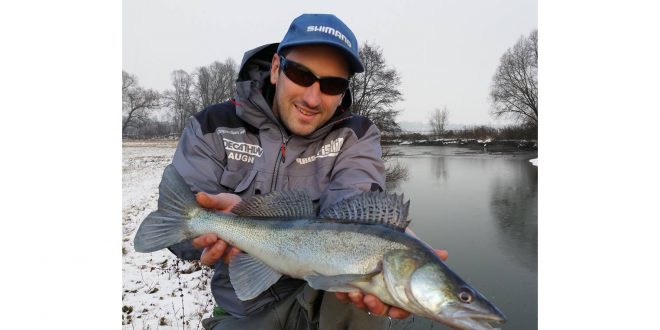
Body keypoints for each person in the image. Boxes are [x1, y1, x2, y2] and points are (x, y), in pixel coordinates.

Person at [165, 13, 447, 329]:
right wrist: (208, 230)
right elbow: (176, 230)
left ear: (343, 91)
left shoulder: (357, 134)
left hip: (323, 299)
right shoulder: (213, 126)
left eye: (332, 84)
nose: (313, 98)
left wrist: (380, 240)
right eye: (300, 74)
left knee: (362, 305)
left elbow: (353, 202)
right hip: (243, 309)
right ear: (275, 68)